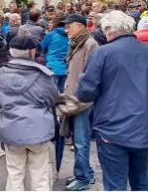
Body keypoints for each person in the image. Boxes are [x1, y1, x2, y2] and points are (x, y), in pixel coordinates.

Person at [77, 10, 148, 191]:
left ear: (109, 30)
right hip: (141, 127)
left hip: (111, 130)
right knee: (141, 179)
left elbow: (85, 92)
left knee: (115, 184)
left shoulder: (102, 53)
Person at [0, 35, 58, 191]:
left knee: (15, 174)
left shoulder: (0, 73)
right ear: (32, 51)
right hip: (39, 129)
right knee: (40, 175)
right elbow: (52, 99)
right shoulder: (43, 74)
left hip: (11, 128)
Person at [60, 13, 98, 191]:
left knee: (81, 141)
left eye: (70, 25)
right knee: (77, 139)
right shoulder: (76, 43)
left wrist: (79, 96)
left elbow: (91, 76)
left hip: (81, 100)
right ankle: (86, 172)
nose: (66, 29)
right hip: (73, 98)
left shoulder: (90, 44)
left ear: (81, 26)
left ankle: (83, 177)